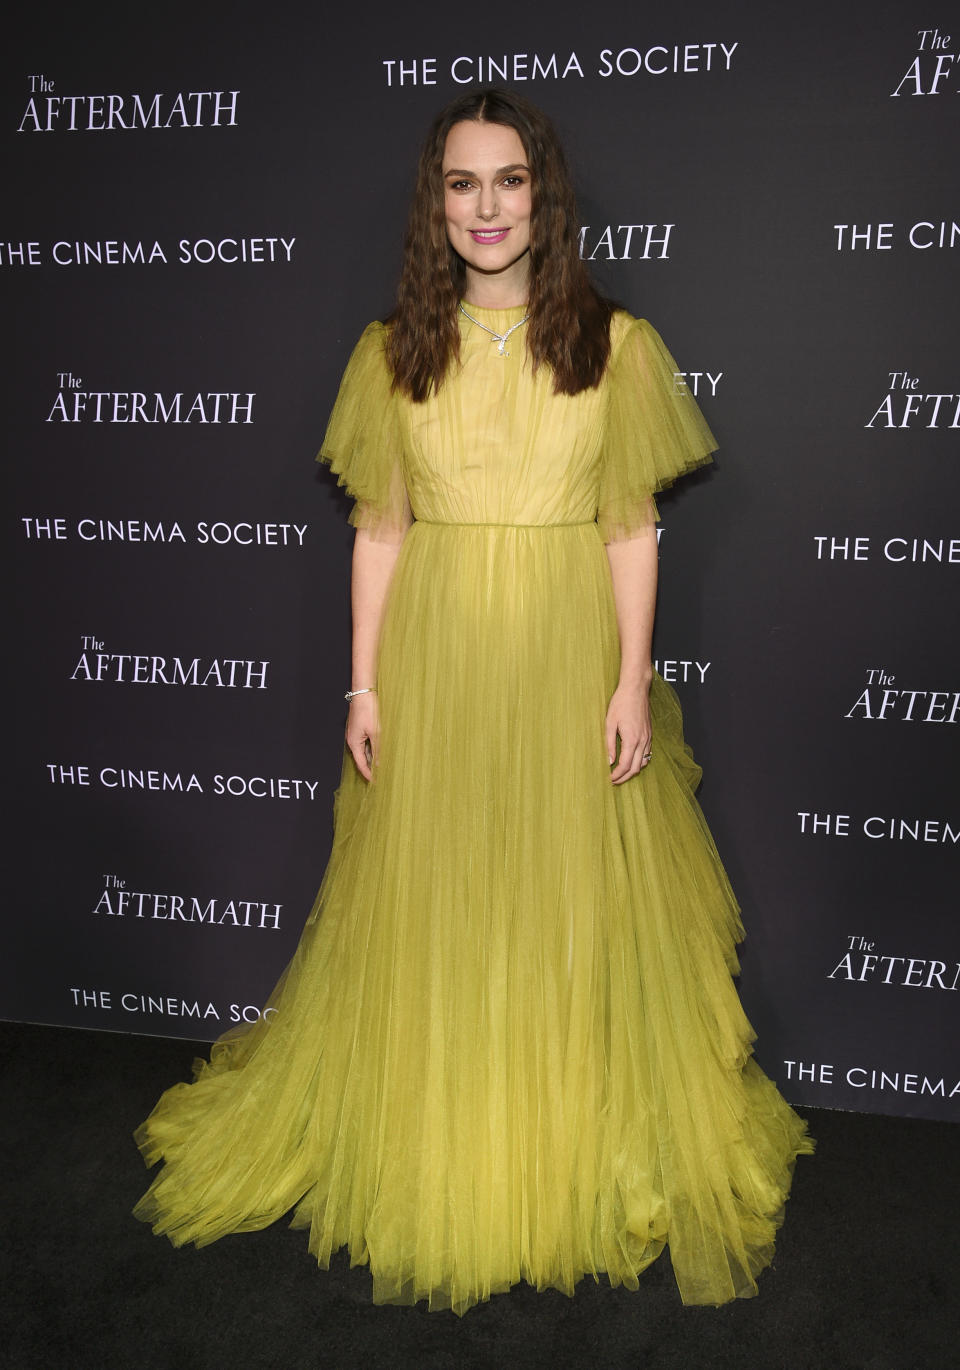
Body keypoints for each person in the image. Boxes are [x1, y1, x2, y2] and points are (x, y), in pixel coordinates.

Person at [134, 88, 813, 1316]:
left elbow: (631, 531)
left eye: (509, 181)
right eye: (462, 183)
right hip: (437, 659)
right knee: (440, 896)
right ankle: (443, 1130)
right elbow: (380, 534)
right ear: (434, 201)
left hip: (564, 657)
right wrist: (363, 681)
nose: (487, 207)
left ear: (542, 197)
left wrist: (627, 679)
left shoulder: (617, 347)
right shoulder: (391, 351)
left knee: (566, 895)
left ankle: (555, 1136)